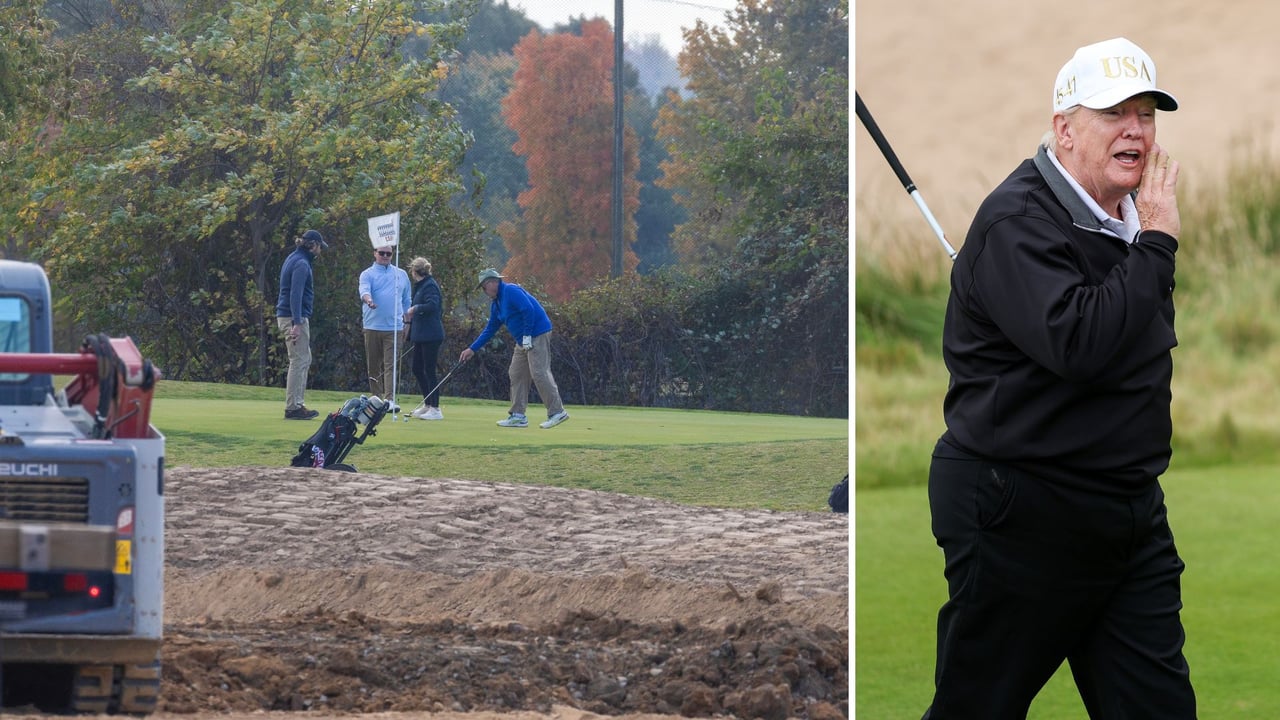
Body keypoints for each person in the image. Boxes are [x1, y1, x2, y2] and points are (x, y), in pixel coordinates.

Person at [923, 37, 1195, 718]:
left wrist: (1147, 241)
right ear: (1065, 129)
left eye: (1147, 114)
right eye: (1114, 113)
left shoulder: (1129, 219)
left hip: (1128, 515)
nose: (1135, 129)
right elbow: (1081, 344)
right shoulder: (1018, 221)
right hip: (1022, 509)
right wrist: (1157, 245)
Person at [458, 268, 568, 429]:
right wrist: (472, 349)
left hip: (537, 333)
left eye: (483, 286)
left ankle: (557, 412)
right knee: (516, 372)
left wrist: (527, 335)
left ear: (492, 283)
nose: (484, 291)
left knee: (539, 372)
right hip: (523, 339)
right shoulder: (496, 304)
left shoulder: (510, 291)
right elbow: (490, 329)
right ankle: (518, 415)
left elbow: (528, 309)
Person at [276, 229, 328, 420]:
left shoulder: (294, 257)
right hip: (293, 317)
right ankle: (293, 407)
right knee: (299, 360)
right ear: (313, 245)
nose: (320, 250)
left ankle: (297, 403)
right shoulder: (302, 264)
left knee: (303, 359)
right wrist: (297, 323)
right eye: (319, 246)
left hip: (288, 315)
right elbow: (295, 294)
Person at [358, 245, 411, 402]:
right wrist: (369, 301)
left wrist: (407, 322)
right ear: (375, 253)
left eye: (389, 253)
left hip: (394, 328)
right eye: (382, 253)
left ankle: (389, 400)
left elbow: (407, 301)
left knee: (390, 366)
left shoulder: (401, 274)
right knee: (373, 367)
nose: (385, 256)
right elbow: (364, 291)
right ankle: (376, 399)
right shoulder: (367, 274)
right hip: (372, 326)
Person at [403, 257, 445, 420]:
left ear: (414, 271)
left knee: (429, 371)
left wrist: (416, 308)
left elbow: (433, 305)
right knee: (417, 369)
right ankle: (428, 404)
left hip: (431, 335)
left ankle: (435, 408)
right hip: (421, 335)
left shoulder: (430, 285)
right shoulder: (421, 286)